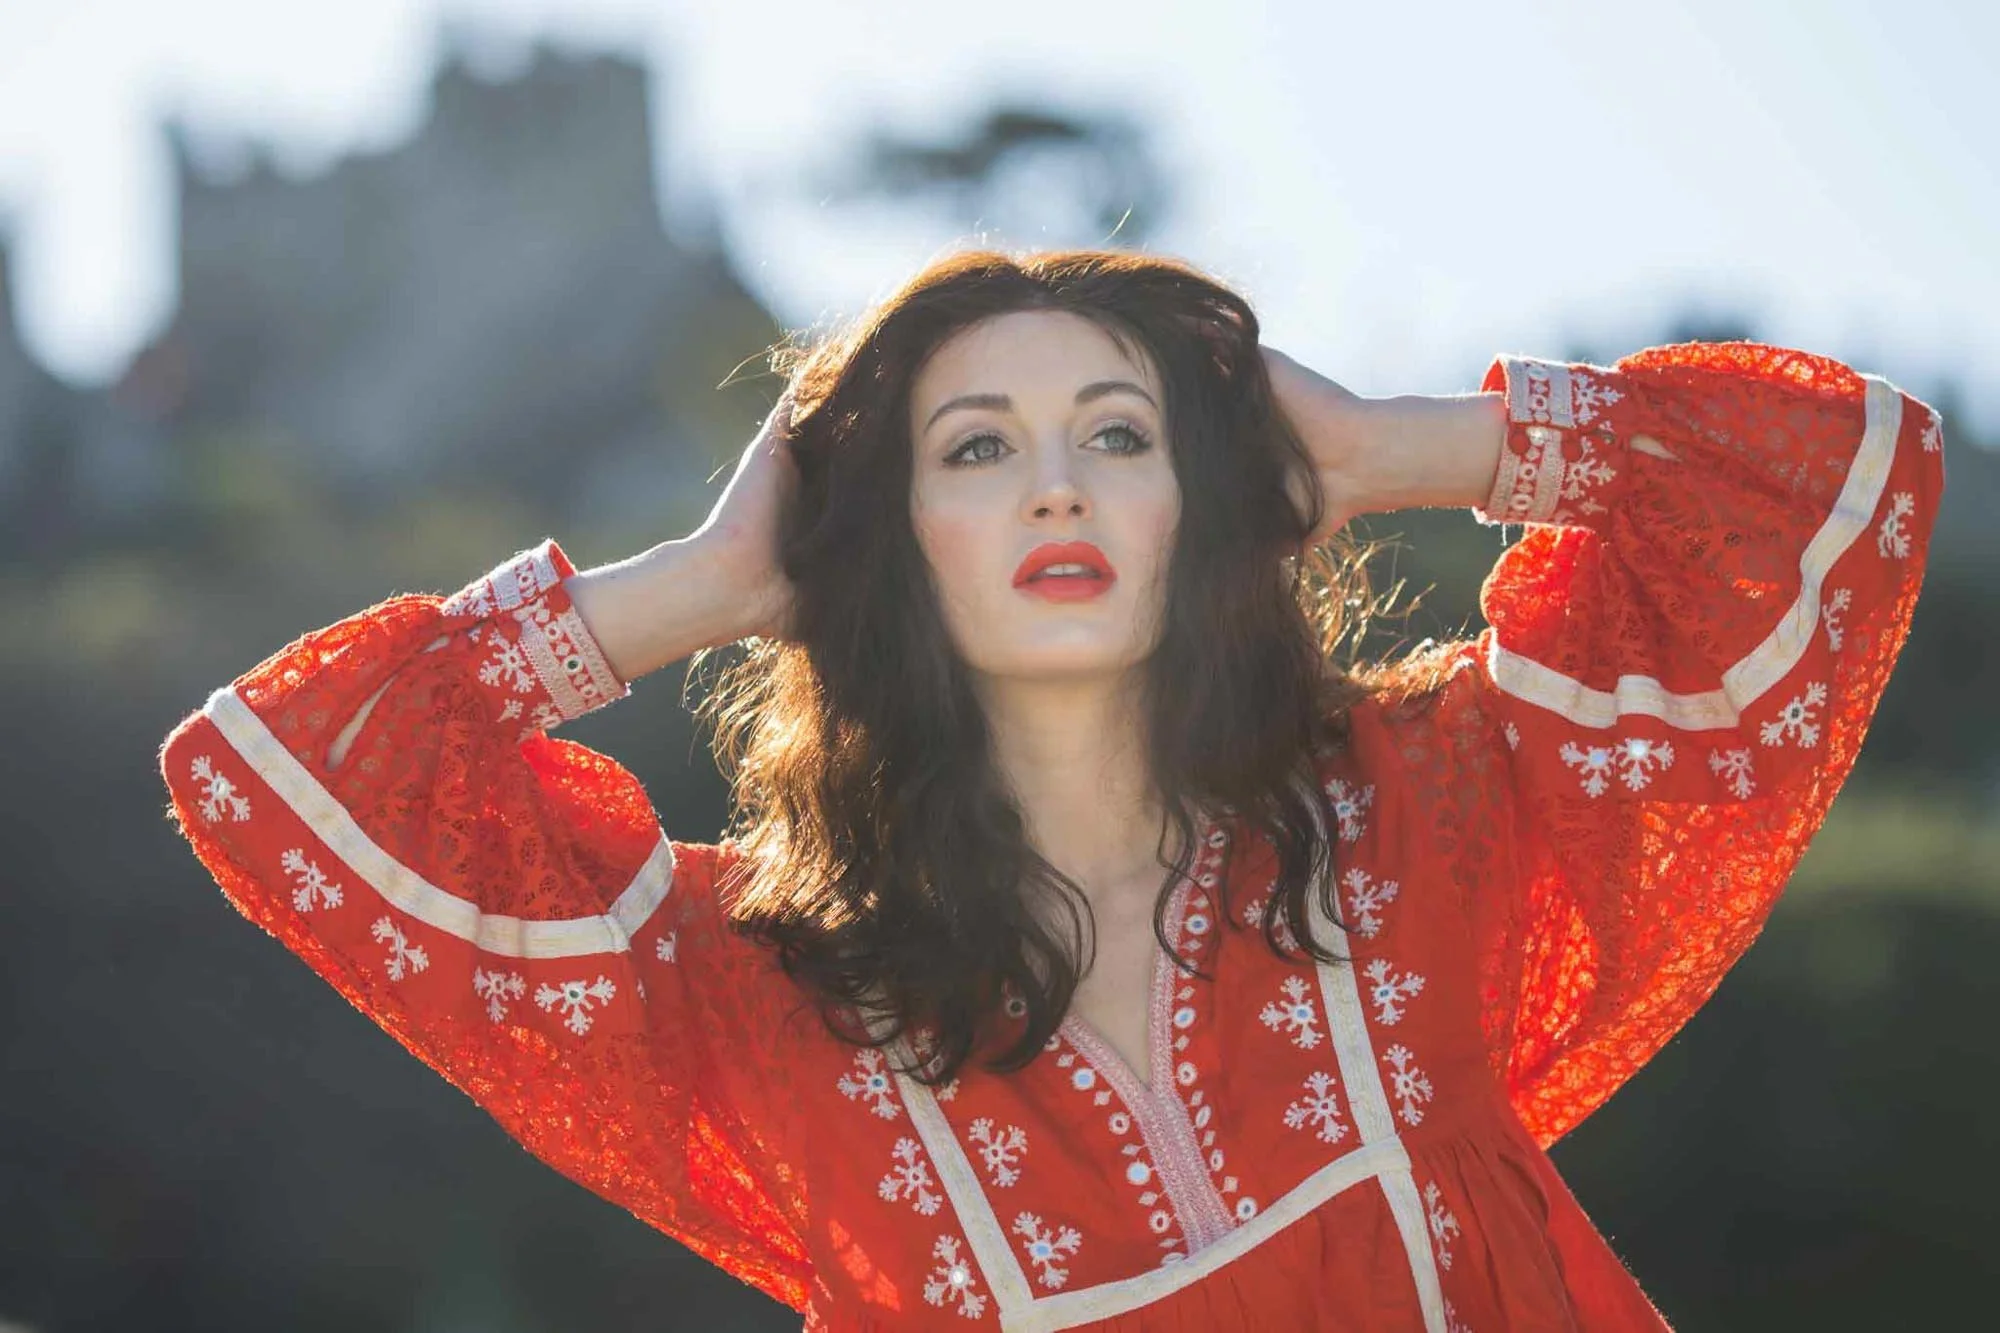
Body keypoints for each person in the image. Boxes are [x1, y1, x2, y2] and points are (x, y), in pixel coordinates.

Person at [157, 247, 1945, 1331]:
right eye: (974, 449)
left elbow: (1840, 481)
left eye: (1120, 433)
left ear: (1201, 502)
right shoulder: (763, 1001)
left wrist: (1397, 446)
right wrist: (706, 583)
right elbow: (268, 777)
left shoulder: (1420, 817)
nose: (1056, 489)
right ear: (887, 537)